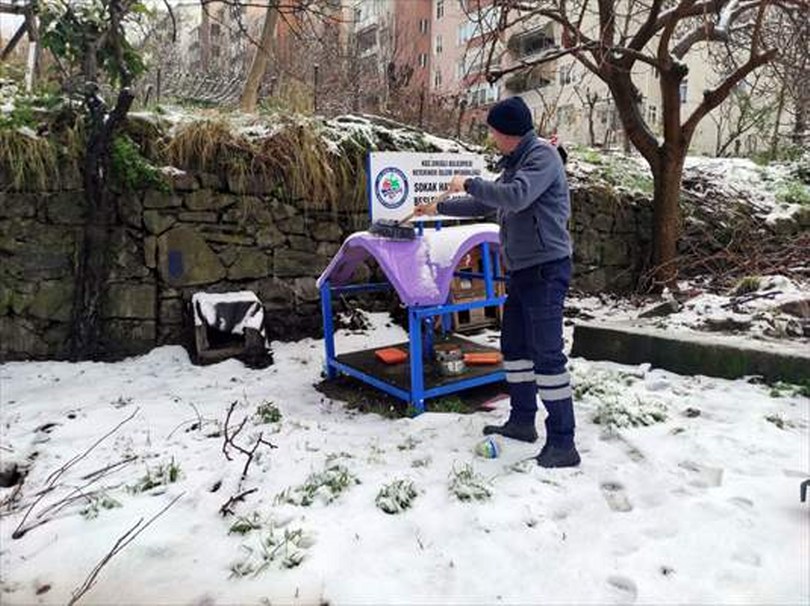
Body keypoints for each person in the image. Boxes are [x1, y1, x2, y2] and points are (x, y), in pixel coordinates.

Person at [415, 96, 579, 468]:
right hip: (522, 271)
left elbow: (516, 197)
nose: (490, 137)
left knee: (546, 355)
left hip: (546, 269)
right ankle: (522, 421)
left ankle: (563, 442)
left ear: (508, 132)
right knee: (515, 348)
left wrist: (469, 182)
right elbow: (487, 204)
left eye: (492, 131)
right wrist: (438, 207)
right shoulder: (517, 162)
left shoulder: (541, 157)